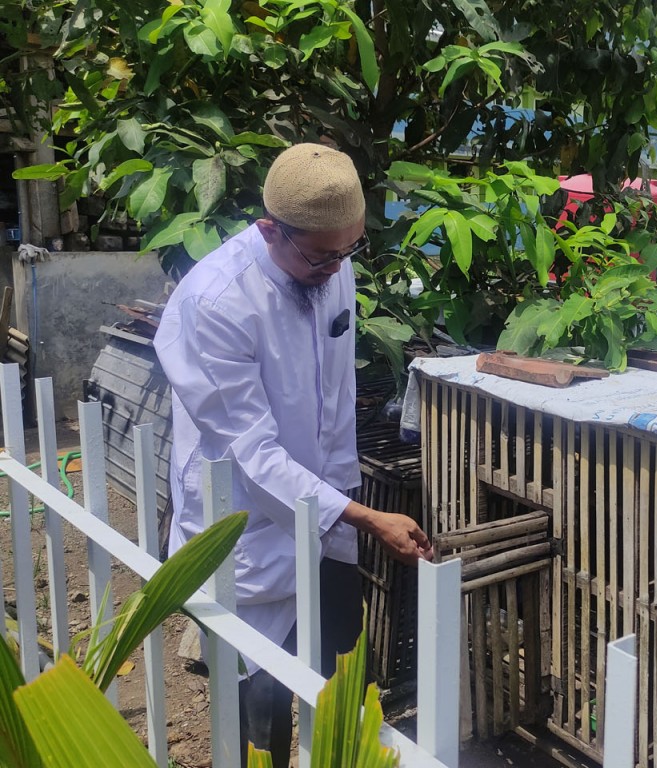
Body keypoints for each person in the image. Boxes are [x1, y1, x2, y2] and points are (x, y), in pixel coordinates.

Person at [154, 143, 432, 767]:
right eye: (321, 255)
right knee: (264, 697)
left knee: (338, 675)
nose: (336, 268)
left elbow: (335, 403)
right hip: (247, 524)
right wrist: (363, 516)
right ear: (269, 229)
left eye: (349, 249)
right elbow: (251, 452)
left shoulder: (332, 268)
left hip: (323, 511)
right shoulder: (217, 303)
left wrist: (341, 511)